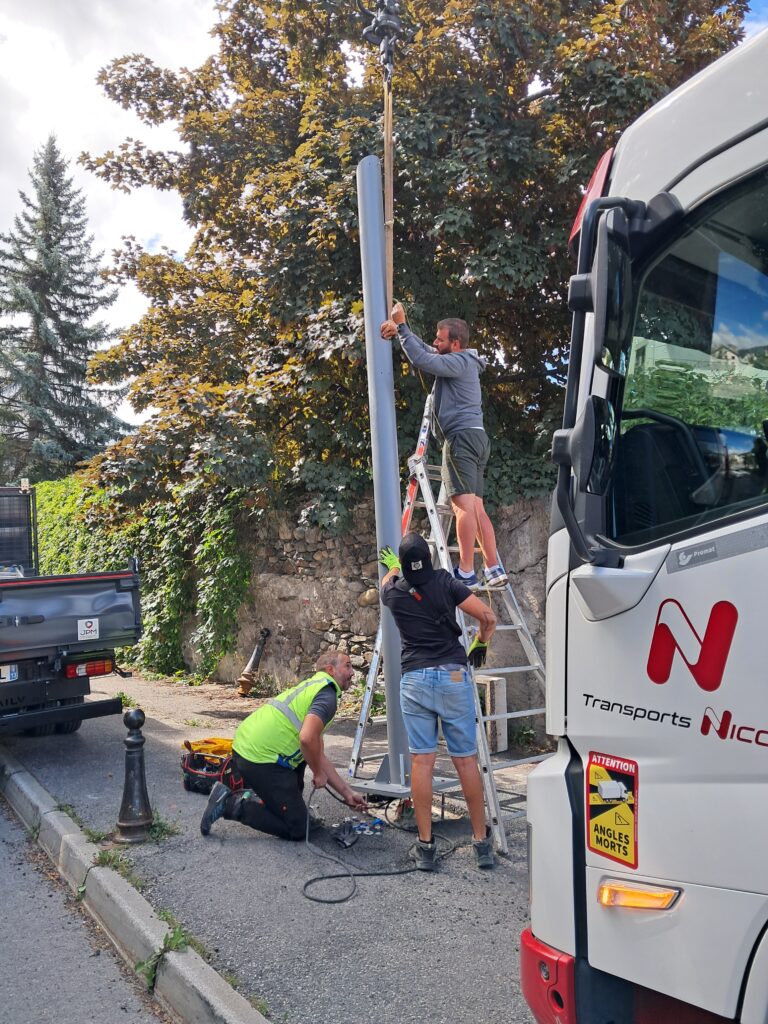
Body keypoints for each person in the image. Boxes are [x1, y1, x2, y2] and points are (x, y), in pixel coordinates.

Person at [379, 533, 497, 871]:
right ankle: (481, 844)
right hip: (453, 676)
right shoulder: (446, 582)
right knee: (464, 761)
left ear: (402, 565)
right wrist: (480, 645)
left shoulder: (393, 592)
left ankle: (426, 848)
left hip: (414, 679)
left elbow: (388, 579)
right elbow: (487, 618)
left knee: (422, 763)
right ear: (429, 560)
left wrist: (391, 568)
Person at [380, 303, 507, 590]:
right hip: (476, 437)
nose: (435, 342)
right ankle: (493, 567)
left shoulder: (457, 362)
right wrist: (404, 332)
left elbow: (425, 360)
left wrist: (401, 327)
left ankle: (465, 572)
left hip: (460, 439)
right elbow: (427, 350)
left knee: (462, 507)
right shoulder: (463, 361)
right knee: (477, 508)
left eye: (440, 339)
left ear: (456, 343)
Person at [200, 651, 367, 839]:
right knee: (298, 829)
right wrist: (319, 774)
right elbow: (306, 739)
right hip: (258, 757)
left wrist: (347, 793)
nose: (353, 672)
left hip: (251, 747)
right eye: (347, 666)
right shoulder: (326, 696)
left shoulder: (315, 687)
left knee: (308, 755)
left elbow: (316, 751)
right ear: (331, 669)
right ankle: (231, 804)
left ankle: (281, 805)